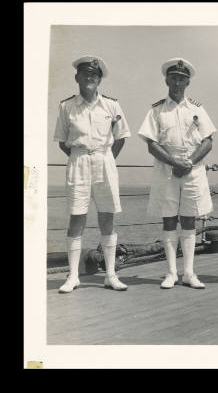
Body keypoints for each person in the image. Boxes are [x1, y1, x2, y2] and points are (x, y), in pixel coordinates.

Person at [53, 55, 131, 293]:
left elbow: (121, 138)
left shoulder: (111, 105)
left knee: (107, 217)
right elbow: (62, 142)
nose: (90, 77)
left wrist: (106, 159)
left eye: (95, 75)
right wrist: (80, 157)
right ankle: (73, 276)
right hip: (78, 160)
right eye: (86, 74)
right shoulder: (66, 106)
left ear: (100, 80)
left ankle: (110, 274)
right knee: (76, 217)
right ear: (77, 77)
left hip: (104, 160)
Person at [138, 58, 216, 290]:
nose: (178, 82)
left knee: (190, 217)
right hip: (167, 167)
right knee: (169, 217)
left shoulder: (197, 109)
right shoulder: (157, 110)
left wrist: (189, 162)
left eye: (182, 78)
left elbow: (208, 141)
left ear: (188, 81)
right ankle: (171, 272)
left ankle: (189, 273)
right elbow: (151, 144)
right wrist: (173, 162)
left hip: (193, 167)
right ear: (167, 80)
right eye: (174, 77)